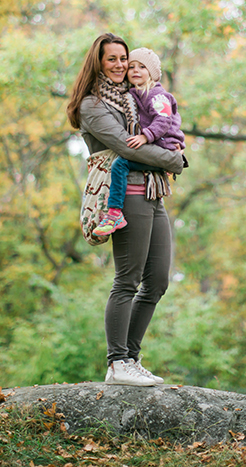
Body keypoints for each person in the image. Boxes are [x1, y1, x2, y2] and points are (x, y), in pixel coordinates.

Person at [66, 33, 185, 387]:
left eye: (124, 59)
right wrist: (174, 160)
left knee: (158, 281)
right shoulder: (92, 105)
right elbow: (124, 147)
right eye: (112, 59)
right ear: (98, 63)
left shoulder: (135, 98)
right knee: (127, 280)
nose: (120, 65)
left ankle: (130, 358)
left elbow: (159, 126)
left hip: (153, 193)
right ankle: (117, 361)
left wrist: (168, 153)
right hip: (125, 195)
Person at [93, 47, 184, 237]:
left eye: (142, 67)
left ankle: (115, 212)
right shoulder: (136, 93)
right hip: (156, 143)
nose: (135, 70)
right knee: (123, 164)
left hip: (163, 143)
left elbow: (164, 119)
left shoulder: (157, 95)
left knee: (120, 164)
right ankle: (115, 212)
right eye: (132, 66)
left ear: (152, 73)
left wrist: (145, 136)